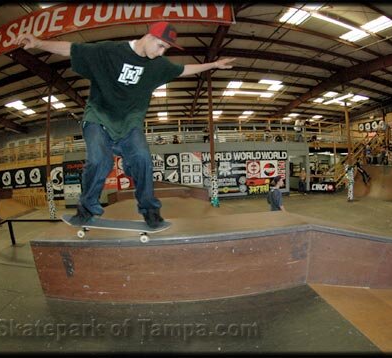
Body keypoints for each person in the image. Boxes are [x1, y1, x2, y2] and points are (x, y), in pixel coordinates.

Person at [15, 23, 235, 228]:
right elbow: (71, 49)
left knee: (142, 160)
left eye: (165, 49)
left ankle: (150, 211)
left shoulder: (158, 66)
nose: (161, 52)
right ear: (149, 36)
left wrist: (214, 64)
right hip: (99, 117)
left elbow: (183, 69)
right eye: (160, 46)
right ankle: (86, 209)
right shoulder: (109, 51)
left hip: (129, 123)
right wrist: (38, 43)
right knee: (100, 160)